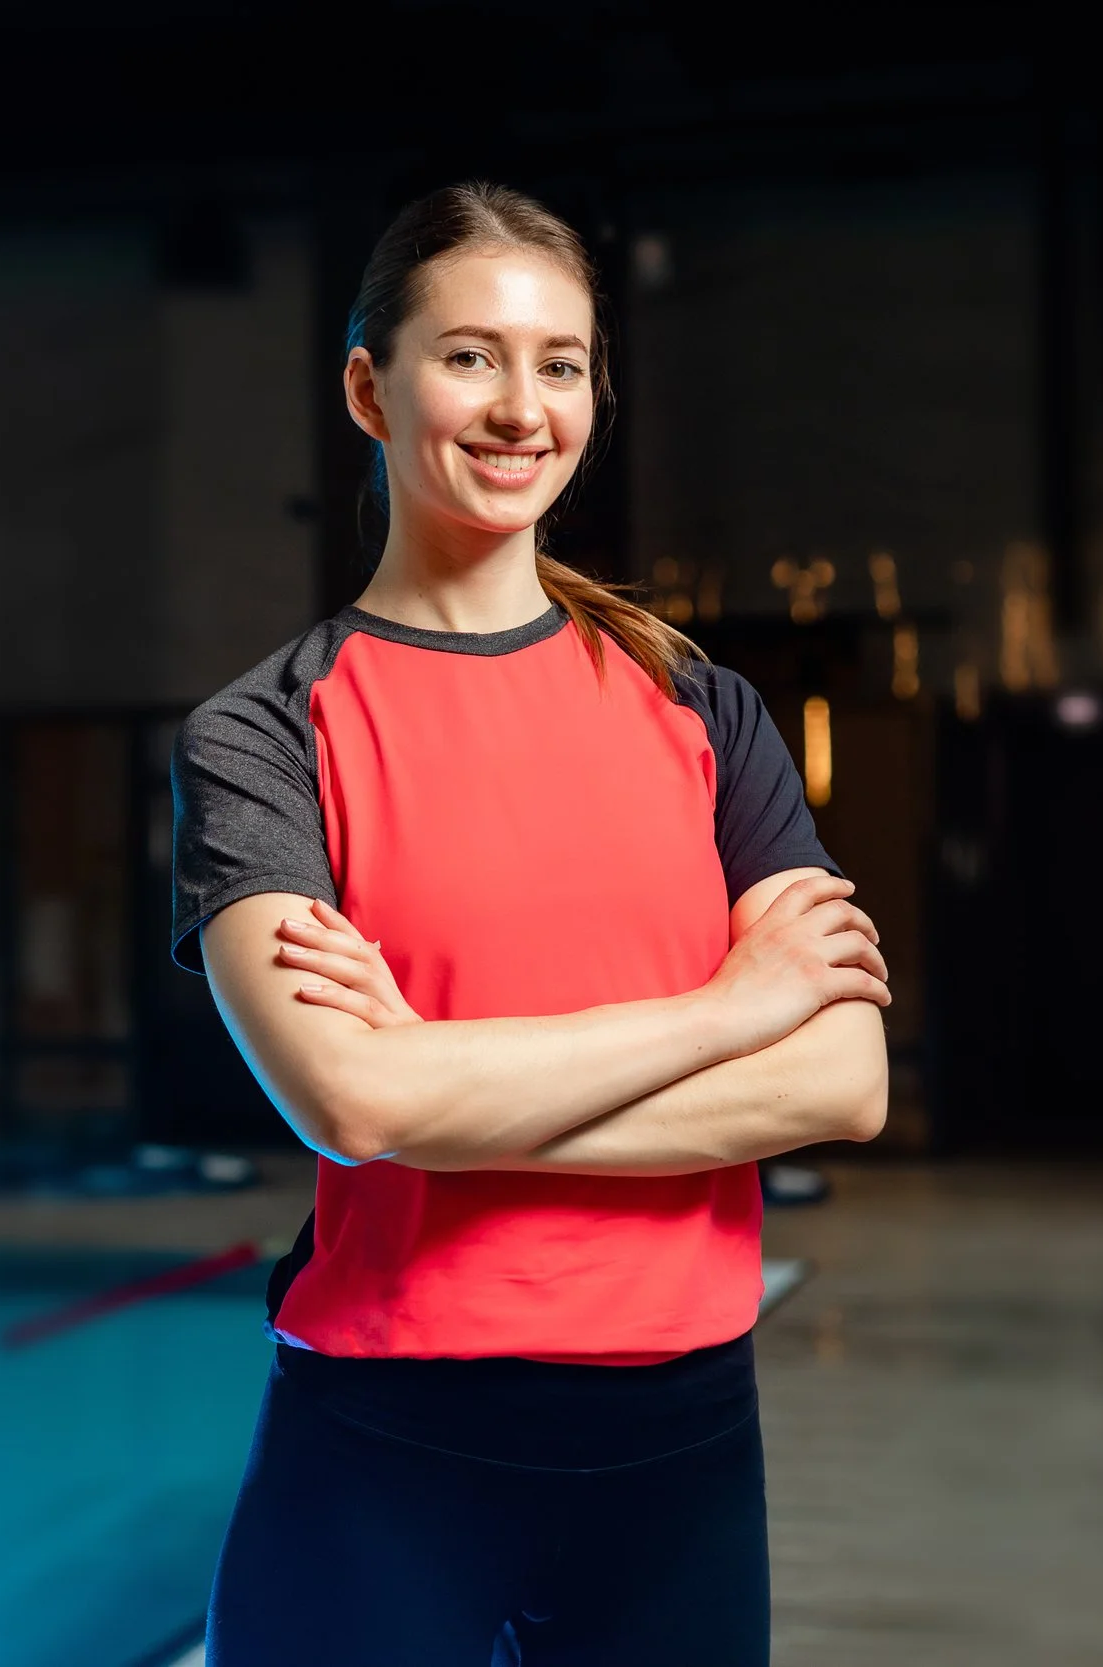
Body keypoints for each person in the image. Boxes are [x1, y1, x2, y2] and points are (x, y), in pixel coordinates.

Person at [170, 182, 892, 1665]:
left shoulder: (696, 703)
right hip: (379, 1448)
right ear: (371, 387)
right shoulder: (265, 736)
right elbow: (355, 1101)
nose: (520, 407)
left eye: (559, 362)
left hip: (679, 1455)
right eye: (471, 356)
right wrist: (734, 1007)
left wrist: (450, 1093)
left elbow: (844, 1082)